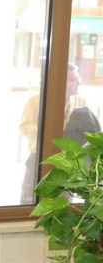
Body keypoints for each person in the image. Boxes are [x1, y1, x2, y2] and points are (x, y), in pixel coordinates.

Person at [20, 63, 101, 203]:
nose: (79, 83)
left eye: (78, 78)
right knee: (31, 198)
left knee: (64, 201)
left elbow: (89, 131)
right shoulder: (36, 101)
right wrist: (54, 135)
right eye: (73, 80)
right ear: (61, 81)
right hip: (40, 156)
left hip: (69, 161)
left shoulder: (81, 101)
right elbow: (25, 127)